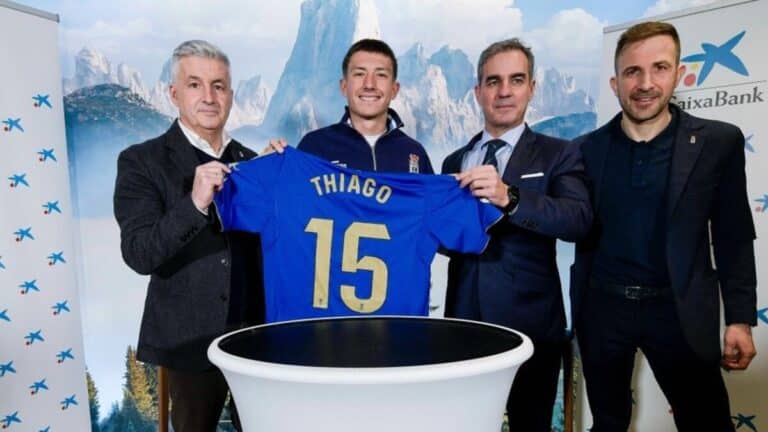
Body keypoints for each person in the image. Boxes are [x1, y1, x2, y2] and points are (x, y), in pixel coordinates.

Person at [572, 21, 757, 431]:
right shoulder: (585, 150)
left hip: (680, 311)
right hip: (603, 312)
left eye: (659, 68)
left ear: (679, 73)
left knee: (707, 423)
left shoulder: (719, 143)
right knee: (607, 423)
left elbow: (734, 237)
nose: (645, 83)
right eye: (632, 72)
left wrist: (740, 320)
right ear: (615, 83)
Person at [441, 38, 592, 431]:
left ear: (532, 88)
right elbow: (449, 242)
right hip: (464, 325)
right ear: (478, 92)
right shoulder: (454, 160)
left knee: (531, 425)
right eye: (493, 81)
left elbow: (577, 220)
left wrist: (510, 198)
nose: (504, 91)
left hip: (531, 328)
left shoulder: (560, 153)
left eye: (516, 80)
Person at [114, 40, 263, 432]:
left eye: (219, 85)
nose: (209, 97)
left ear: (231, 95)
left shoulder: (253, 162)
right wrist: (194, 203)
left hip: (254, 343)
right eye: (195, 84)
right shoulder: (141, 161)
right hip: (187, 344)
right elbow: (139, 253)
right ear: (174, 94)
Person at [267, 38, 433, 174]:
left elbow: (436, 203)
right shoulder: (314, 147)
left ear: (394, 90)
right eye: (359, 74)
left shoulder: (415, 153)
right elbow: (284, 199)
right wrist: (265, 167)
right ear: (344, 87)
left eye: (381, 75)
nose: (369, 84)